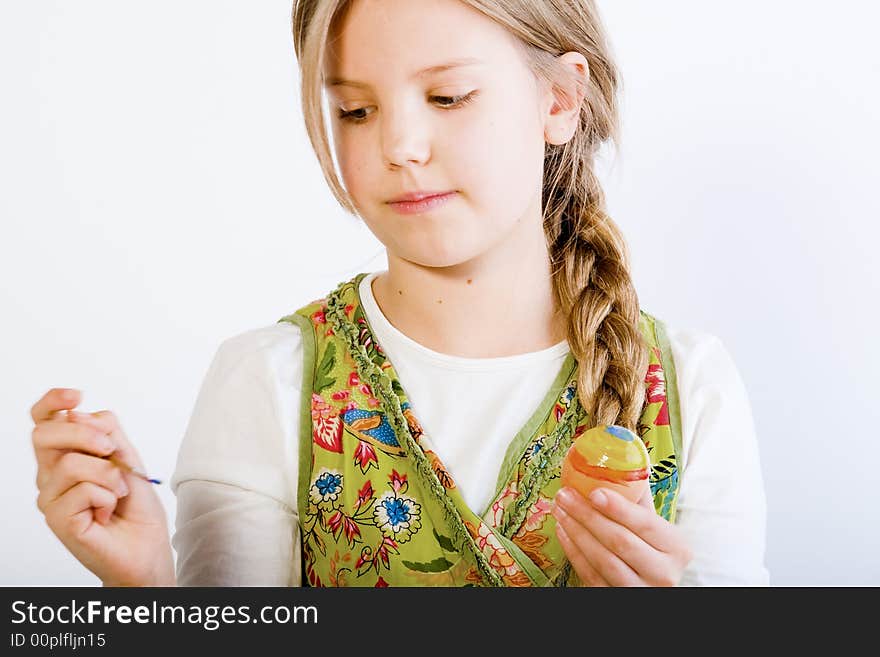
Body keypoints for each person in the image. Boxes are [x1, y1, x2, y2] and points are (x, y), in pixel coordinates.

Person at [30, 0, 769, 587]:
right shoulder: (267, 381)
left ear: (560, 99)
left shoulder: (690, 387)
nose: (398, 147)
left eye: (447, 97)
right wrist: (151, 594)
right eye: (356, 110)